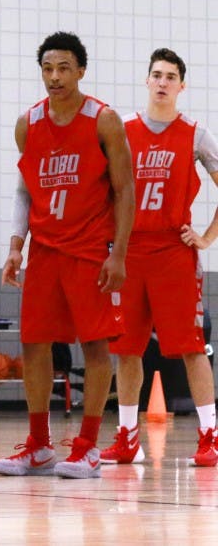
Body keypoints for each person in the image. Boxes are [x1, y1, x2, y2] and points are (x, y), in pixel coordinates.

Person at [0, 32, 134, 479]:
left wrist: (120, 254)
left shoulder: (103, 119)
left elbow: (125, 189)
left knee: (94, 345)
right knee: (34, 343)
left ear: (81, 71)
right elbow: (24, 189)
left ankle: (89, 446)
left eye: (64, 68)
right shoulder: (28, 123)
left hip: (92, 248)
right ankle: (38, 446)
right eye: (47, 68)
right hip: (46, 250)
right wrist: (16, 245)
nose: (54, 77)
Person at [102, 48, 218, 467]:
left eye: (171, 76)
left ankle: (210, 437)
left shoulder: (195, 133)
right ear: (146, 81)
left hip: (173, 252)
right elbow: (102, 191)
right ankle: (127, 438)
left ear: (181, 86)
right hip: (129, 252)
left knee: (192, 347)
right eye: (157, 74)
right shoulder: (122, 130)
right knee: (127, 349)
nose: (163, 82)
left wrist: (205, 237)